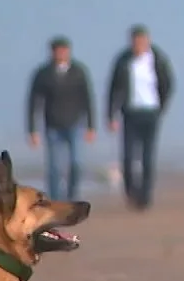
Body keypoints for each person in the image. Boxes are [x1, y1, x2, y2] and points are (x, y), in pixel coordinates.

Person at [105, 25, 175, 211]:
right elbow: (114, 88)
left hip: (151, 112)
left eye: (142, 41)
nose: (139, 45)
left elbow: (168, 83)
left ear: (148, 41)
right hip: (130, 112)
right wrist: (111, 114)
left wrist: (162, 106)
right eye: (135, 42)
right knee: (128, 157)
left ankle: (145, 197)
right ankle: (131, 192)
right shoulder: (123, 60)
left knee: (147, 157)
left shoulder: (157, 59)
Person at [26, 36, 97, 201]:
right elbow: (33, 102)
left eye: (64, 50)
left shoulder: (78, 72)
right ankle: (55, 200)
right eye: (58, 51)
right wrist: (32, 130)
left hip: (75, 124)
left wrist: (91, 126)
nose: (61, 54)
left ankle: (72, 196)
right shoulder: (43, 74)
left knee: (76, 164)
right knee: (55, 168)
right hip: (53, 125)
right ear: (52, 52)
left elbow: (88, 99)